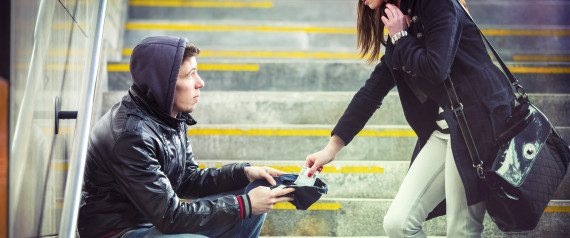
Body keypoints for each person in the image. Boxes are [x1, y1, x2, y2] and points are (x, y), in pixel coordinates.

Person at [305, 0, 515, 237]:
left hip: (478, 123)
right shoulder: (404, 18)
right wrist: (332, 147)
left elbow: (436, 68)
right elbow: (372, 91)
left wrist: (401, 37)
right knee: (399, 223)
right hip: (446, 129)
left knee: (462, 230)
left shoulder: (436, 5)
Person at [78, 36, 295, 238]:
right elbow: (170, 217)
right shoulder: (131, 135)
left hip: (151, 224)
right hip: (118, 232)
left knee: (254, 190)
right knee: (242, 207)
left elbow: (186, 180)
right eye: (190, 75)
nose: (200, 83)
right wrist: (244, 204)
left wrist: (243, 173)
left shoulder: (168, 116)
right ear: (164, 83)